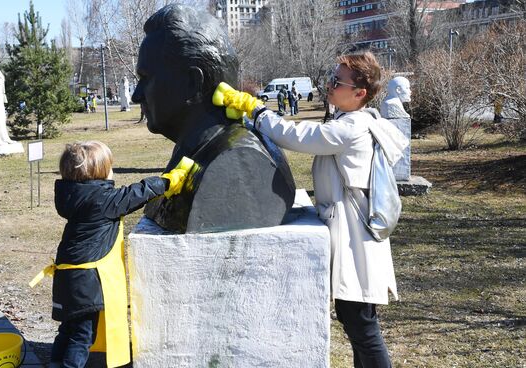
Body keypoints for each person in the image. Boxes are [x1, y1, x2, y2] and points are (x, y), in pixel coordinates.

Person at [214, 52, 408, 368]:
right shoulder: (354, 120)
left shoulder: (351, 129)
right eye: (331, 78)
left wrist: (258, 112)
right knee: (357, 322)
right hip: (354, 236)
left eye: (337, 81)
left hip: (355, 242)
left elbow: (300, 136)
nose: (329, 85)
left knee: (363, 327)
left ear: (359, 93)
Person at [131, 4, 295, 233]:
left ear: (193, 83)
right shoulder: (194, 150)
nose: (135, 95)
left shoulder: (239, 161)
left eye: (146, 78)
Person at [29, 141, 195, 367]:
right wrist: (167, 181)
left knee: (67, 329)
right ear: (99, 172)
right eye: (110, 167)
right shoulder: (104, 201)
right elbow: (137, 193)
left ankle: (55, 363)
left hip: (66, 275)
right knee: (82, 336)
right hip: (86, 280)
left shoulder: (71, 196)